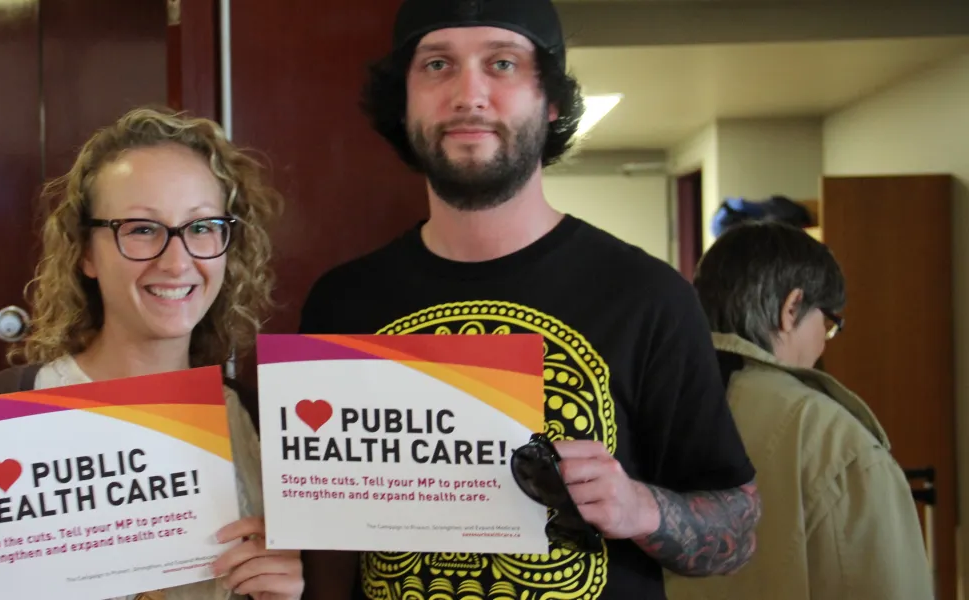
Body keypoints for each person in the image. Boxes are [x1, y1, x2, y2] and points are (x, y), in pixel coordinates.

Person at [296, 0, 762, 598]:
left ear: (552, 102)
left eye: (503, 64)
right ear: (403, 101)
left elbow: (739, 526)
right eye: (437, 64)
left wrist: (642, 508)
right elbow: (331, 541)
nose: (469, 93)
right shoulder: (341, 304)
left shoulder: (649, 297)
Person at [0, 106, 305, 600]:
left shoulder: (258, 424)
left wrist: (293, 595)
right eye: (142, 229)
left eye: (202, 227)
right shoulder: (0, 412)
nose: (178, 259)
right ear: (85, 253)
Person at [667, 221, 933, 600]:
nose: (824, 344)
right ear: (791, 308)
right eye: (827, 324)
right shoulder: (834, 437)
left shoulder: (636, 401)